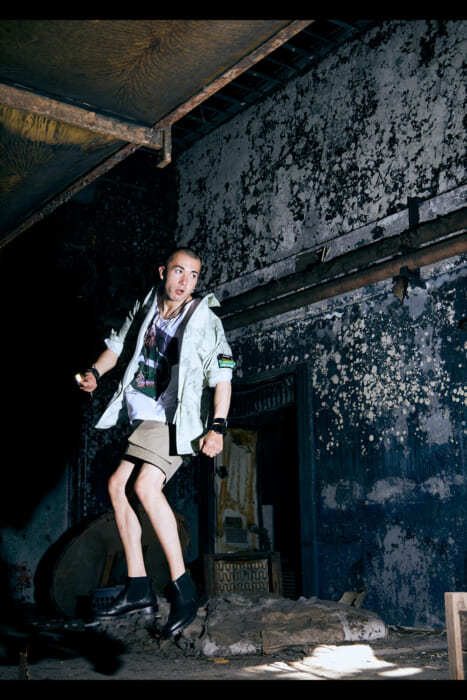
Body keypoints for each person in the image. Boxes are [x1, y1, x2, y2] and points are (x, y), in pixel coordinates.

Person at [77, 247, 234, 638]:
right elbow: (118, 345)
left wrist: (217, 427)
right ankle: (138, 587)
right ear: (163, 271)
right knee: (117, 486)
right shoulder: (148, 303)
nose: (185, 282)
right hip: (146, 416)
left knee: (145, 487)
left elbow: (222, 376)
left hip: (176, 419)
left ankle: (184, 589)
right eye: (179, 272)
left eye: (194, 275)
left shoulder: (203, 318)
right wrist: (95, 372)